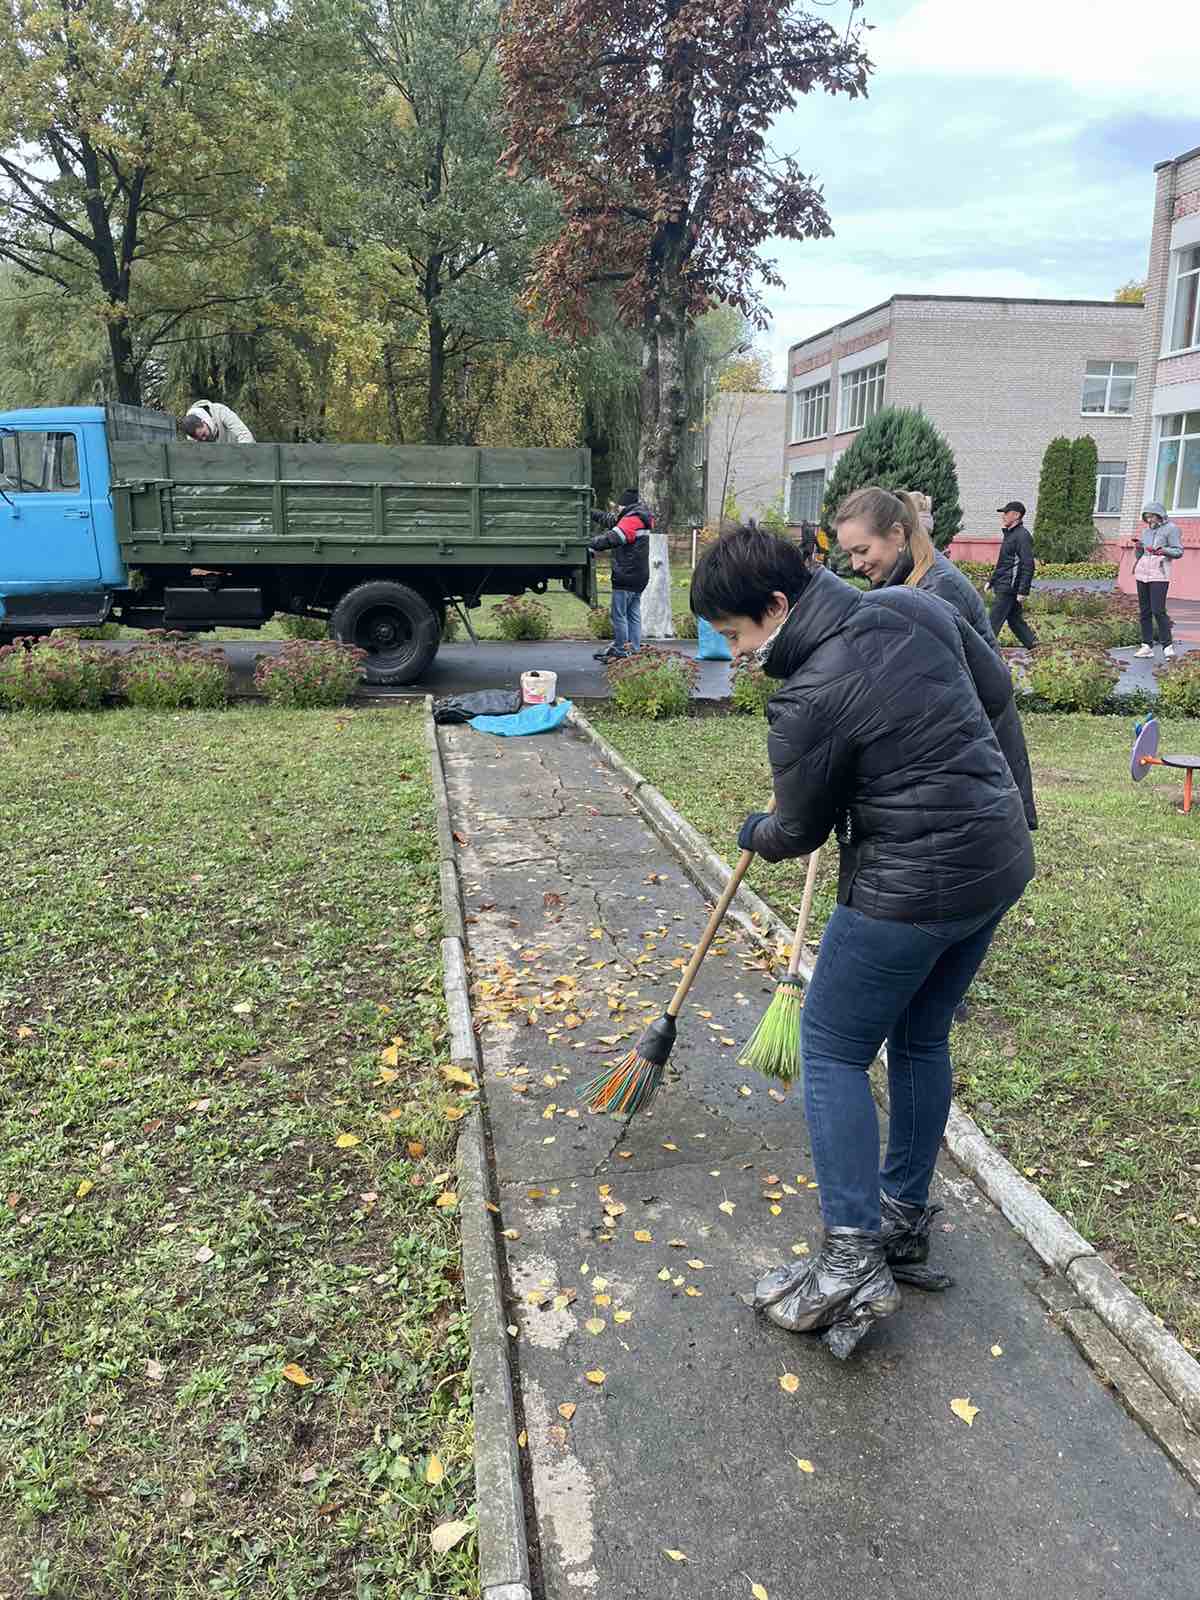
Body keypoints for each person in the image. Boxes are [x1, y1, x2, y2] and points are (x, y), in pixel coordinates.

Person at [690, 527, 1034, 1357]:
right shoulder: (915, 605)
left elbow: (799, 830)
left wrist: (755, 828)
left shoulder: (805, 696)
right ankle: (901, 1222)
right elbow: (996, 698)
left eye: (737, 636)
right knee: (920, 1036)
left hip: (909, 888)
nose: (736, 654)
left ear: (777, 607)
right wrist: (999, 802)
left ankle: (851, 1258)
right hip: (997, 860)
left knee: (834, 1046)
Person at [834, 485, 1036, 831]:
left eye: (862, 550)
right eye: (850, 554)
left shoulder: (937, 590)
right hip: (953, 758)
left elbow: (938, 699)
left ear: (897, 534)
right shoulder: (901, 581)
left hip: (973, 759)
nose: (855, 564)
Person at [589, 487, 653, 661]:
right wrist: (589, 512)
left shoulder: (632, 520)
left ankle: (620, 649)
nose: (616, 509)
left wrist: (588, 543)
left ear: (624, 506)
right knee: (633, 613)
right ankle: (634, 648)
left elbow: (613, 538)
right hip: (639, 576)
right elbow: (610, 520)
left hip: (626, 575)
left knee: (619, 615)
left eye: (618, 506)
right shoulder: (637, 517)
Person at [1130, 501, 1183, 658]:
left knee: (1158, 610)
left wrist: (1162, 551)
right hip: (1142, 573)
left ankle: (1167, 646)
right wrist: (1138, 548)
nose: (1149, 520)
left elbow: (1179, 551)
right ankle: (1146, 646)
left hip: (1159, 574)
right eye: (1146, 517)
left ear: (1160, 515)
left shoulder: (1172, 529)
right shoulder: (1146, 532)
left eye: (1152, 516)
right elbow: (1140, 556)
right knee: (1144, 611)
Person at [987, 500, 1037, 648]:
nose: (1003, 516)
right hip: (1005, 583)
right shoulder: (1010, 535)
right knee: (1014, 619)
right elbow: (1004, 563)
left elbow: (1028, 564)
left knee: (993, 620)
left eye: (1006, 513)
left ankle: (984, 649)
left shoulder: (1022, 536)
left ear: (1016, 515)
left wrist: (1023, 590)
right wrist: (992, 580)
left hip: (1009, 587)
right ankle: (1034, 645)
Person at [181, 401, 255, 444]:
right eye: (199, 439)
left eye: (203, 434)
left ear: (204, 422)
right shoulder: (192, 437)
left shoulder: (220, 411)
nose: (204, 439)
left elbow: (245, 435)